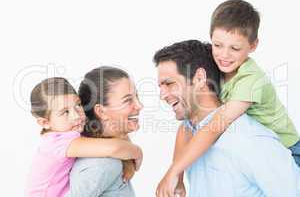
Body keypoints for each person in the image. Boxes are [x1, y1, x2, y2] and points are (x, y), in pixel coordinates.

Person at [154, 40, 300, 197]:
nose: (162, 95)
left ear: (199, 78)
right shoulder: (191, 134)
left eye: (169, 84)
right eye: (160, 87)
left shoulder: (250, 140)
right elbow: (184, 129)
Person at [26, 77, 142, 197]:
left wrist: (127, 161)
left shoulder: (69, 130)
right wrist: (137, 152)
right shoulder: (59, 143)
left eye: (78, 104)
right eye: (65, 112)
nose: (76, 116)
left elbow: (112, 135)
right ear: (45, 122)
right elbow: (114, 148)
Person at [67, 66, 143, 197]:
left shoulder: (115, 156)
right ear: (101, 111)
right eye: (128, 100)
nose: (139, 105)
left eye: (137, 97)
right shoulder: (103, 165)